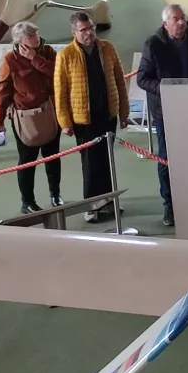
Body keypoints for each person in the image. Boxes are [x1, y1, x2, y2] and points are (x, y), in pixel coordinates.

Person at [136, 4, 188, 227]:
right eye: (175, 19)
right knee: (167, 158)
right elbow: (142, 79)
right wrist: (170, 88)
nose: (180, 23)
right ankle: (169, 204)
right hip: (165, 111)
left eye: (183, 18)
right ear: (165, 24)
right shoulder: (153, 44)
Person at [53, 11, 129, 223]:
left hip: (107, 114)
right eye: (84, 30)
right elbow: (60, 91)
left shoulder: (108, 48)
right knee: (90, 163)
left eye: (91, 28)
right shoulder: (65, 55)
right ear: (74, 32)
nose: (89, 33)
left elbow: (120, 81)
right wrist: (65, 122)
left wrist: (123, 111)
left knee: (107, 160)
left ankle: (109, 201)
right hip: (83, 120)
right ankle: (92, 206)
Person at [0, 21, 62, 214]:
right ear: (20, 40)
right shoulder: (10, 60)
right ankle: (28, 202)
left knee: (53, 158)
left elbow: (59, 74)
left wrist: (35, 58)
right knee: (27, 161)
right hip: (26, 119)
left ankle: (55, 195)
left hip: (51, 113)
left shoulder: (47, 52)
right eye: (30, 36)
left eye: (36, 34)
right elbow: (3, 92)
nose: (36, 38)